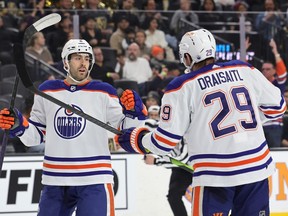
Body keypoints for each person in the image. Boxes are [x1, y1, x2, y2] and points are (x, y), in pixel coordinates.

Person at [115, 29, 286, 215]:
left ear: (187, 58)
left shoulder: (180, 86)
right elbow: (278, 107)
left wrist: (136, 139)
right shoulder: (244, 69)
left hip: (214, 176)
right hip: (256, 170)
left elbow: (164, 143)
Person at [0, 39, 147, 216]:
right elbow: (36, 136)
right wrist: (19, 125)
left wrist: (134, 113)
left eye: (87, 58)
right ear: (65, 62)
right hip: (55, 179)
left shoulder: (103, 91)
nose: (83, 62)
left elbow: (124, 130)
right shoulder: (47, 90)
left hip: (94, 178)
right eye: (77, 58)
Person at [261, 38, 287, 148]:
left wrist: (275, 52)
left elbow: (282, 72)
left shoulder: (278, 84)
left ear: (273, 71)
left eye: (268, 69)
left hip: (274, 124)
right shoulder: (259, 83)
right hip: (261, 124)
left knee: (274, 152)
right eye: (263, 69)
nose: (265, 71)